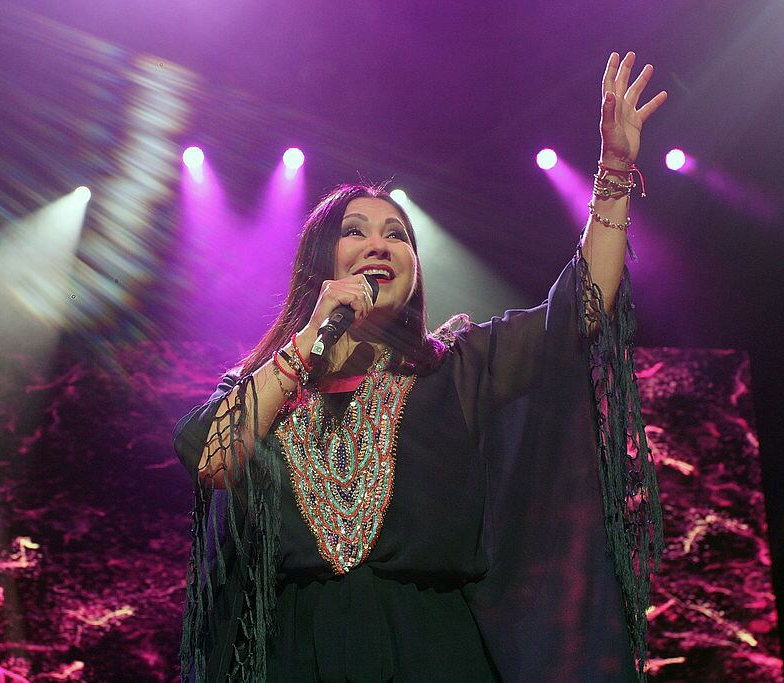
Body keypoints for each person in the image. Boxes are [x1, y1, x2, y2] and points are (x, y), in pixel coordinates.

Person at [173, 51, 667, 682]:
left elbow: (580, 312)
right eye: (357, 231)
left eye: (397, 234)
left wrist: (616, 172)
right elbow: (213, 461)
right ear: (321, 263)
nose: (380, 243)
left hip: (432, 650)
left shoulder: (457, 367)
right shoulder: (270, 387)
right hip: (295, 655)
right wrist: (302, 349)